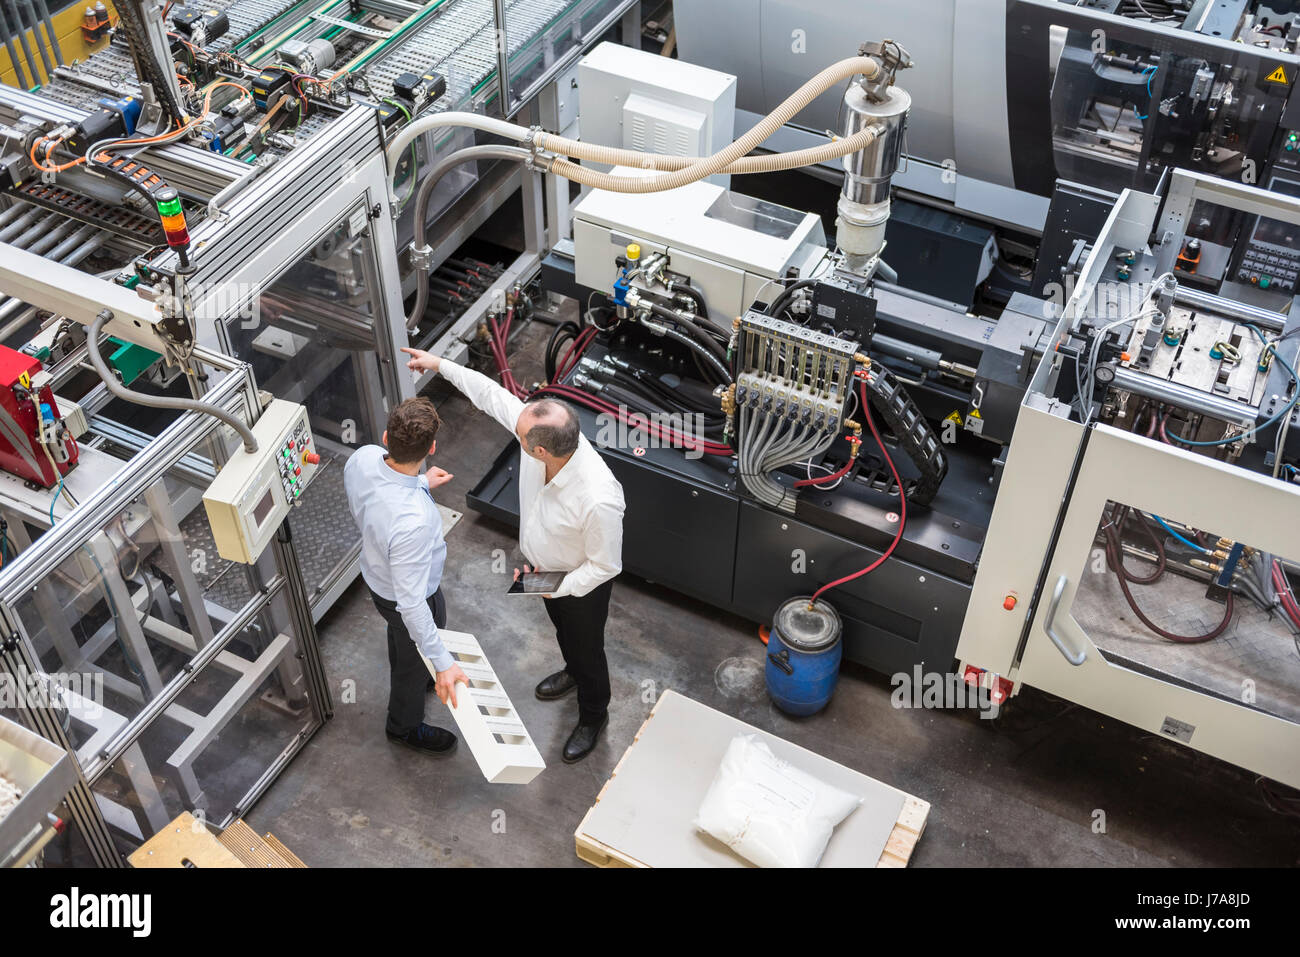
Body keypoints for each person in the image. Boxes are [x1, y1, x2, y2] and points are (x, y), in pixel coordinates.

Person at [402, 347, 626, 763]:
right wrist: (439, 365)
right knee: (564, 636)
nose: (515, 430)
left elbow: (605, 565)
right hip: (545, 575)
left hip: (579, 585)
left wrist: (555, 587)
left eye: (521, 437)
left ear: (539, 450)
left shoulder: (599, 499)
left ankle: (594, 713)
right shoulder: (541, 438)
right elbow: (491, 396)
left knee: (587, 646)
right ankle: (573, 672)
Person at [343, 397, 468, 756]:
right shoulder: (414, 522)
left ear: (385, 437)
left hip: (377, 577)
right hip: (404, 596)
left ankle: (417, 667)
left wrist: (421, 484)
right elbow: (412, 604)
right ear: (431, 448)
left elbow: (382, 496)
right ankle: (404, 725)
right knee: (416, 649)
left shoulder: (362, 458)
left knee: (404, 637)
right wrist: (443, 663)